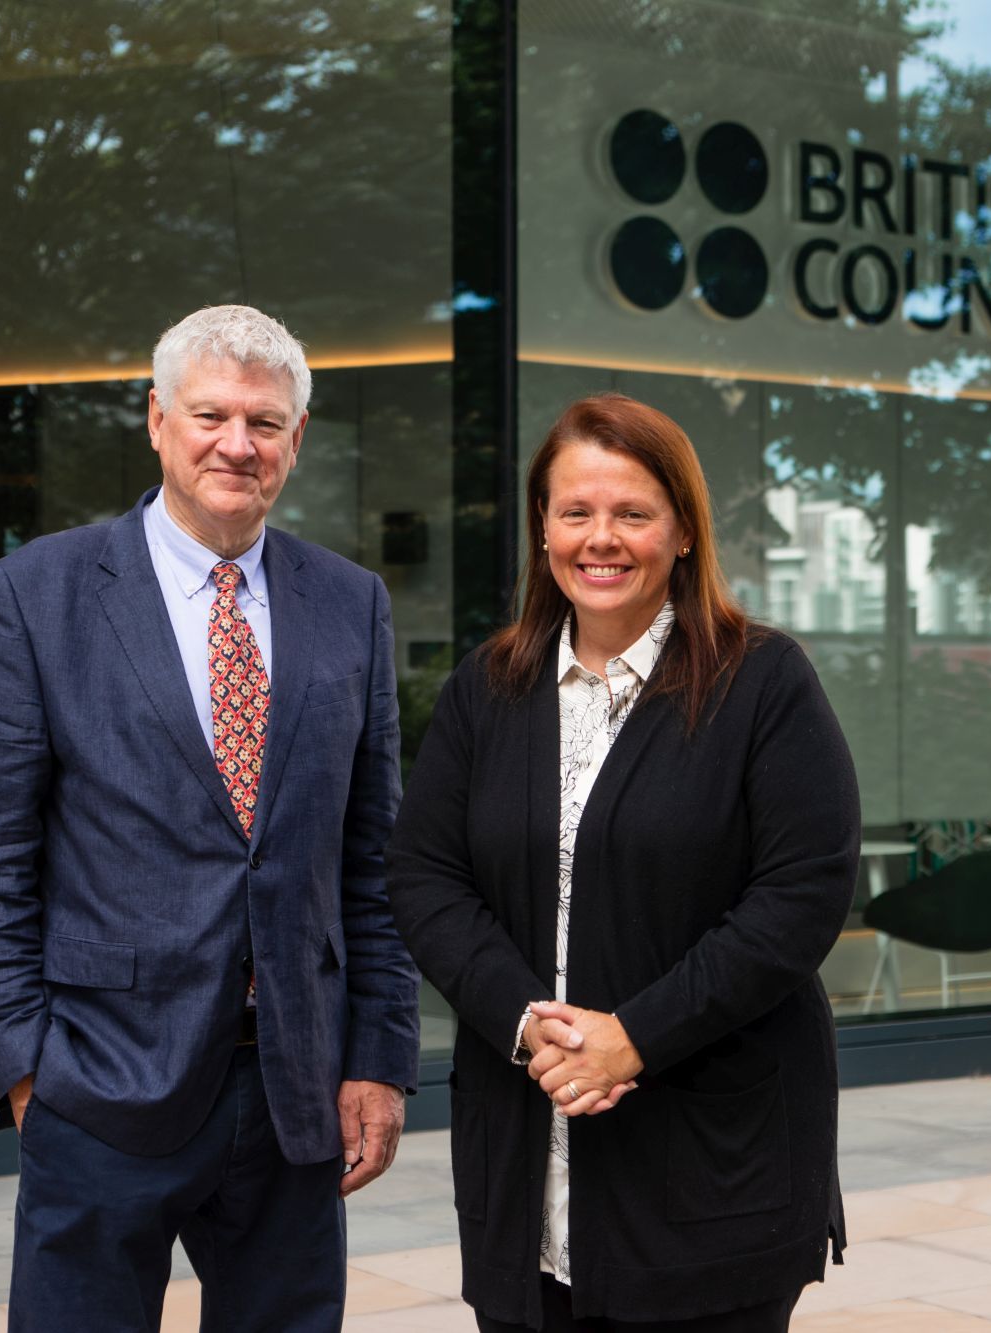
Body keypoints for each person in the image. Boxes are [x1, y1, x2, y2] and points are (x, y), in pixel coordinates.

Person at [0, 304, 421, 1332]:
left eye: (266, 421)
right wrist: (25, 1068)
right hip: (101, 1081)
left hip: (297, 1089)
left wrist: (378, 1056)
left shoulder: (352, 605)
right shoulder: (36, 594)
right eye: (210, 415)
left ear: (296, 436)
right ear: (156, 418)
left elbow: (372, 860)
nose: (236, 444)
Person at [387, 394, 860, 1332]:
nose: (602, 539)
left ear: (682, 531)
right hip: (523, 1147)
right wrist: (530, 1025)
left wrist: (634, 1034)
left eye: (633, 513)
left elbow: (800, 895)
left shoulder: (762, 681)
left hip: (707, 1158)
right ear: (544, 529)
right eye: (576, 512)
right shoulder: (489, 688)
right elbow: (424, 875)